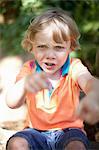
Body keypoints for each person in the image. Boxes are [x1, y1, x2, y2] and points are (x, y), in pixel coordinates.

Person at [5, 8, 99, 150]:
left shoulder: (74, 67)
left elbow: (90, 81)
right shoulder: (29, 69)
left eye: (59, 47)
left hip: (69, 132)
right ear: (32, 47)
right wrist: (25, 83)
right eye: (42, 47)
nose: (50, 55)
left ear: (70, 47)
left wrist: (93, 95)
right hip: (34, 132)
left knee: (76, 146)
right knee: (16, 143)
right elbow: (11, 102)